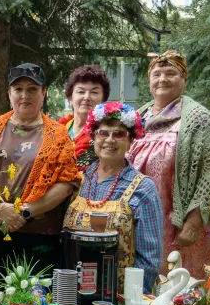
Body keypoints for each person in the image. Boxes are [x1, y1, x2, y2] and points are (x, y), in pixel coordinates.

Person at [0, 63, 80, 284]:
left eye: (32, 89)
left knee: (34, 300)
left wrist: (23, 213)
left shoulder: (58, 134)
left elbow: (66, 184)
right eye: (19, 89)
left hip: (38, 238)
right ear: (9, 94)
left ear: (43, 93)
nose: (25, 95)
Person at [127, 50, 210, 279]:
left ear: (184, 80)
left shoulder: (198, 118)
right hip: (140, 216)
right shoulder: (137, 117)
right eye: (157, 74)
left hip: (178, 220)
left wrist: (193, 222)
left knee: (180, 285)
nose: (162, 79)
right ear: (149, 81)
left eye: (171, 73)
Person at [63, 102, 163, 293]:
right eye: (103, 133)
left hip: (120, 298)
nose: (109, 140)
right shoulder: (77, 180)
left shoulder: (143, 188)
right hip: (73, 294)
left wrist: (130, 300)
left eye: (118, 134)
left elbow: (149, 259)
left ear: (131, 140)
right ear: (93, 136)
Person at [58, 65, 111, 171]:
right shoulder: (56, 130)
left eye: (94, 92)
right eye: (81, 92)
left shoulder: (108, 134)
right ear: (70, 97)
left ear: (103, 99)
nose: (86, 97)